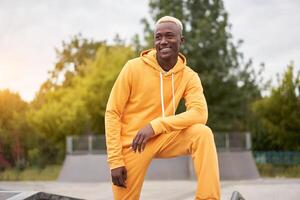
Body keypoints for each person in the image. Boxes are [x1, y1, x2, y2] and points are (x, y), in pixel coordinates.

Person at [105, 16, 220, 200]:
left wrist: (156, 126)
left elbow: (200, 113)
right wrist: (115, 160)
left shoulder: (189, 77)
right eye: (158, 37)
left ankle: (208, 198)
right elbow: (112, 113)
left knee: (202, 133)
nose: (163, 41)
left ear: (181, 40)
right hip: (134, 144)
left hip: (164, 137)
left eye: (169, 36)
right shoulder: (133, 68)